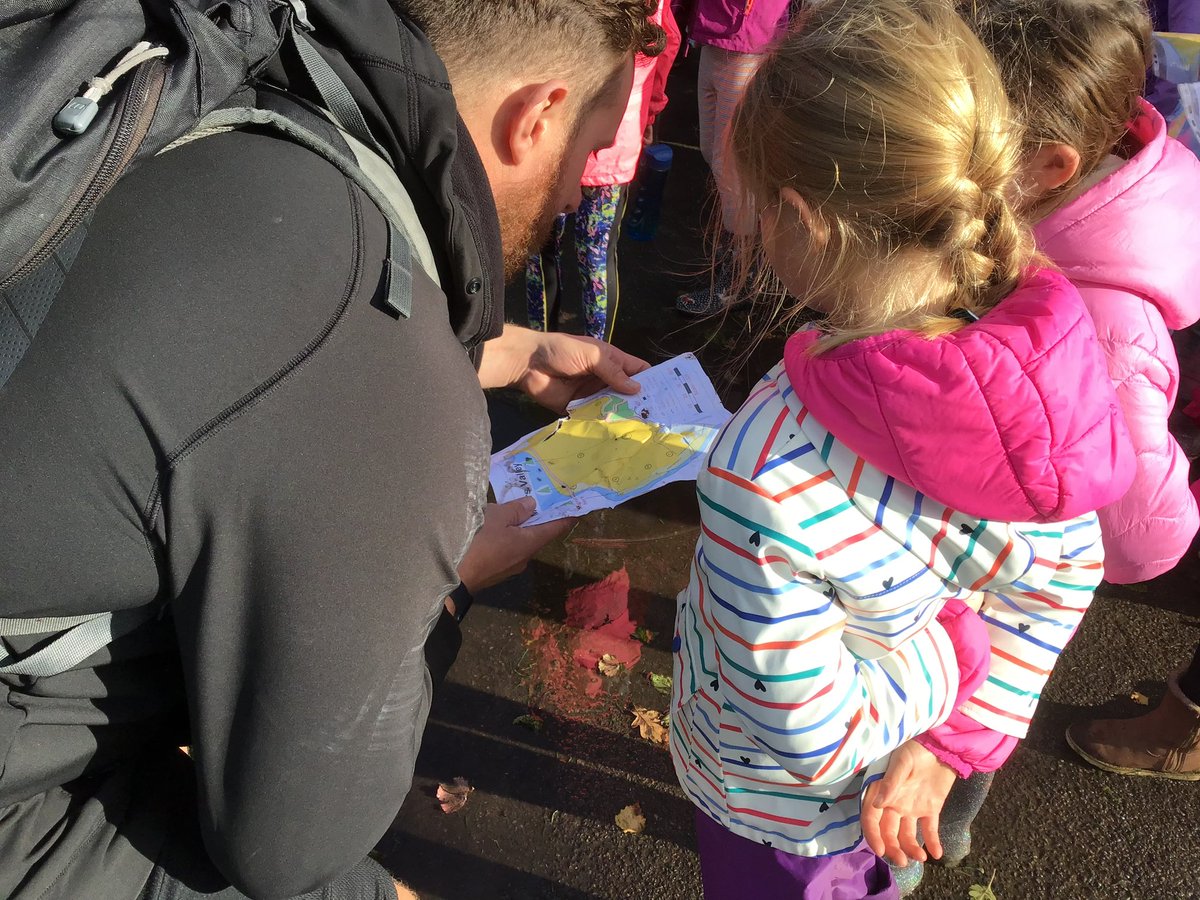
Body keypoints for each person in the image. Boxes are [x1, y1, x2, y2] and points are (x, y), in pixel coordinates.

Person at [0, 1, 664, 899]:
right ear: (537, 115)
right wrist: (452, 583)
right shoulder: (388, 379)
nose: (584, 191)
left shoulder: (237, 66)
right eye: (589, 150)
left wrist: (509, 351)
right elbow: (289, 846)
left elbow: (240, 329)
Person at [666, 0, 1137, 896]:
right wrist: (951, 743)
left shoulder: (761, 473)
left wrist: (956, 649)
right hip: (898, 780)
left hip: (777, 811)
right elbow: (1066, 572)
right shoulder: (1047, 376)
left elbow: (818, 739)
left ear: (799, 218)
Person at [958, 0, 1200, 790]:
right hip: (986, 524)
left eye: (965, 141)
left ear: (1048, 166)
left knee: (963, 711)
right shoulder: (1067, 207)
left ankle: (936, 827)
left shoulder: (1102, 322)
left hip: (1005, 570)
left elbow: (1140, 535)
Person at [526, 0, 681, 342]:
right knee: (595, 258)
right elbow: (667, 45)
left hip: (556, 143)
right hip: (613, 149)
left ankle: (541, 347)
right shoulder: (655, 6)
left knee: (544, 250)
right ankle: (598, 356)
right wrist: (651, 111)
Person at [674, 0, 790, 316]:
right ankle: (747, 267)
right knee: (711, 151)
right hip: (713, 34)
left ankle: (739, 280)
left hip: (749, 41)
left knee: (732, 169)